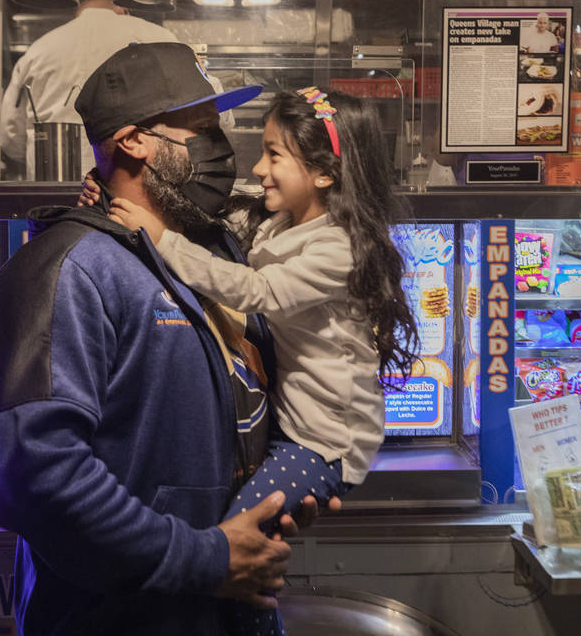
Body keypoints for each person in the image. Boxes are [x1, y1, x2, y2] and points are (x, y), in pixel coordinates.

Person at [0, 42, 336, 636]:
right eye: (200, 127)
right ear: (133, 141)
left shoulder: (214, 252)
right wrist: (206, 557)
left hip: (229, 613)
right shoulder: (66, 269)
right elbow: (36, 478)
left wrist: (277, 492)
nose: (222, 148)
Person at [106, 85, 420, 636]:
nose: (258, 167)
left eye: (274, 154)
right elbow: (225, 213)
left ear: (323, 174)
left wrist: (158, 238)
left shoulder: (336, 249)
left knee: (238, 548)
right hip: (288, 427)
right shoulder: (285, 221)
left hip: (321, 443)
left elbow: (256, 290)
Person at [0, 0, 179, 179]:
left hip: (54, 180)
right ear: (124, 10)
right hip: (133, 179)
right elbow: (187, 113)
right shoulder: (158, 37)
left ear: (78, 13)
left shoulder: (39, 48)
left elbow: (10, 136)